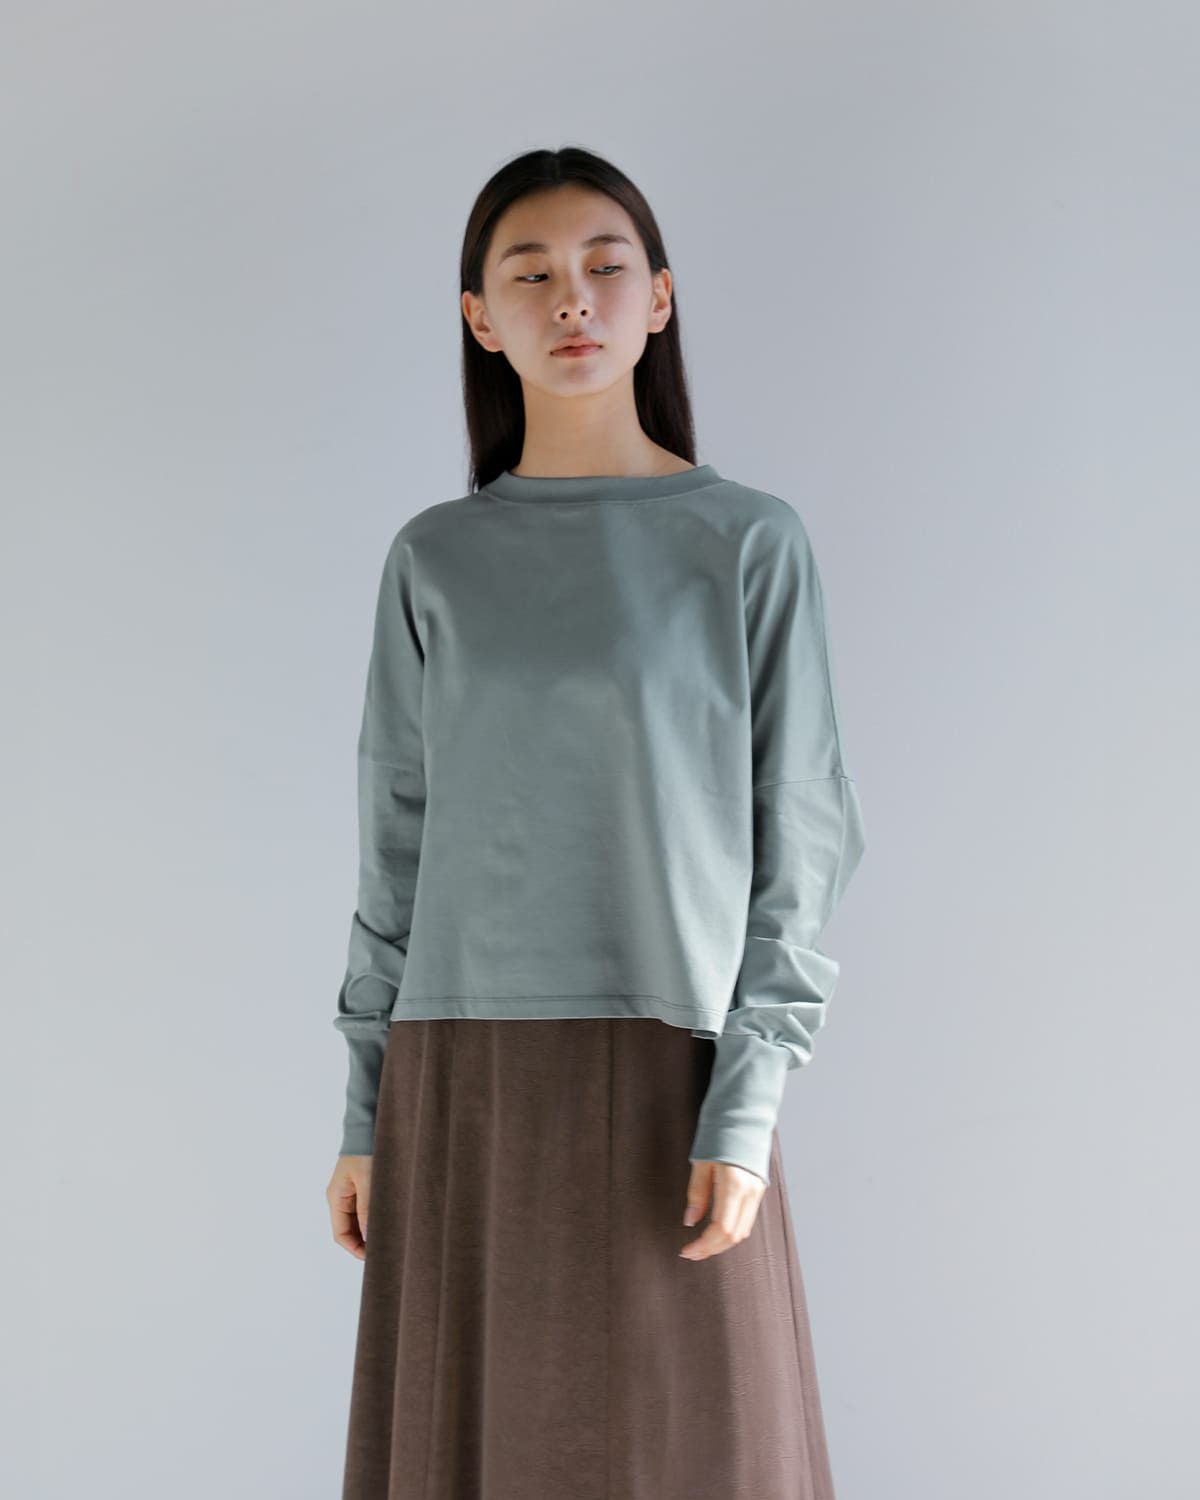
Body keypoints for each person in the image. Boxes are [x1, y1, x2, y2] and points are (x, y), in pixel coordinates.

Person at [325, 145, 866, 1500]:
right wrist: (365, 1111)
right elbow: (396, 840)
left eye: (605, 267)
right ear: (479, 317)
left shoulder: (747, 543)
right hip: (461, 1078)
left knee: (701, 1454)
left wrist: (747, 1104)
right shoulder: (435, 559)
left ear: (660, 299)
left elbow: (801, 840)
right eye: (532, 274)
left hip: (673, 1071)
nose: (573, 299)